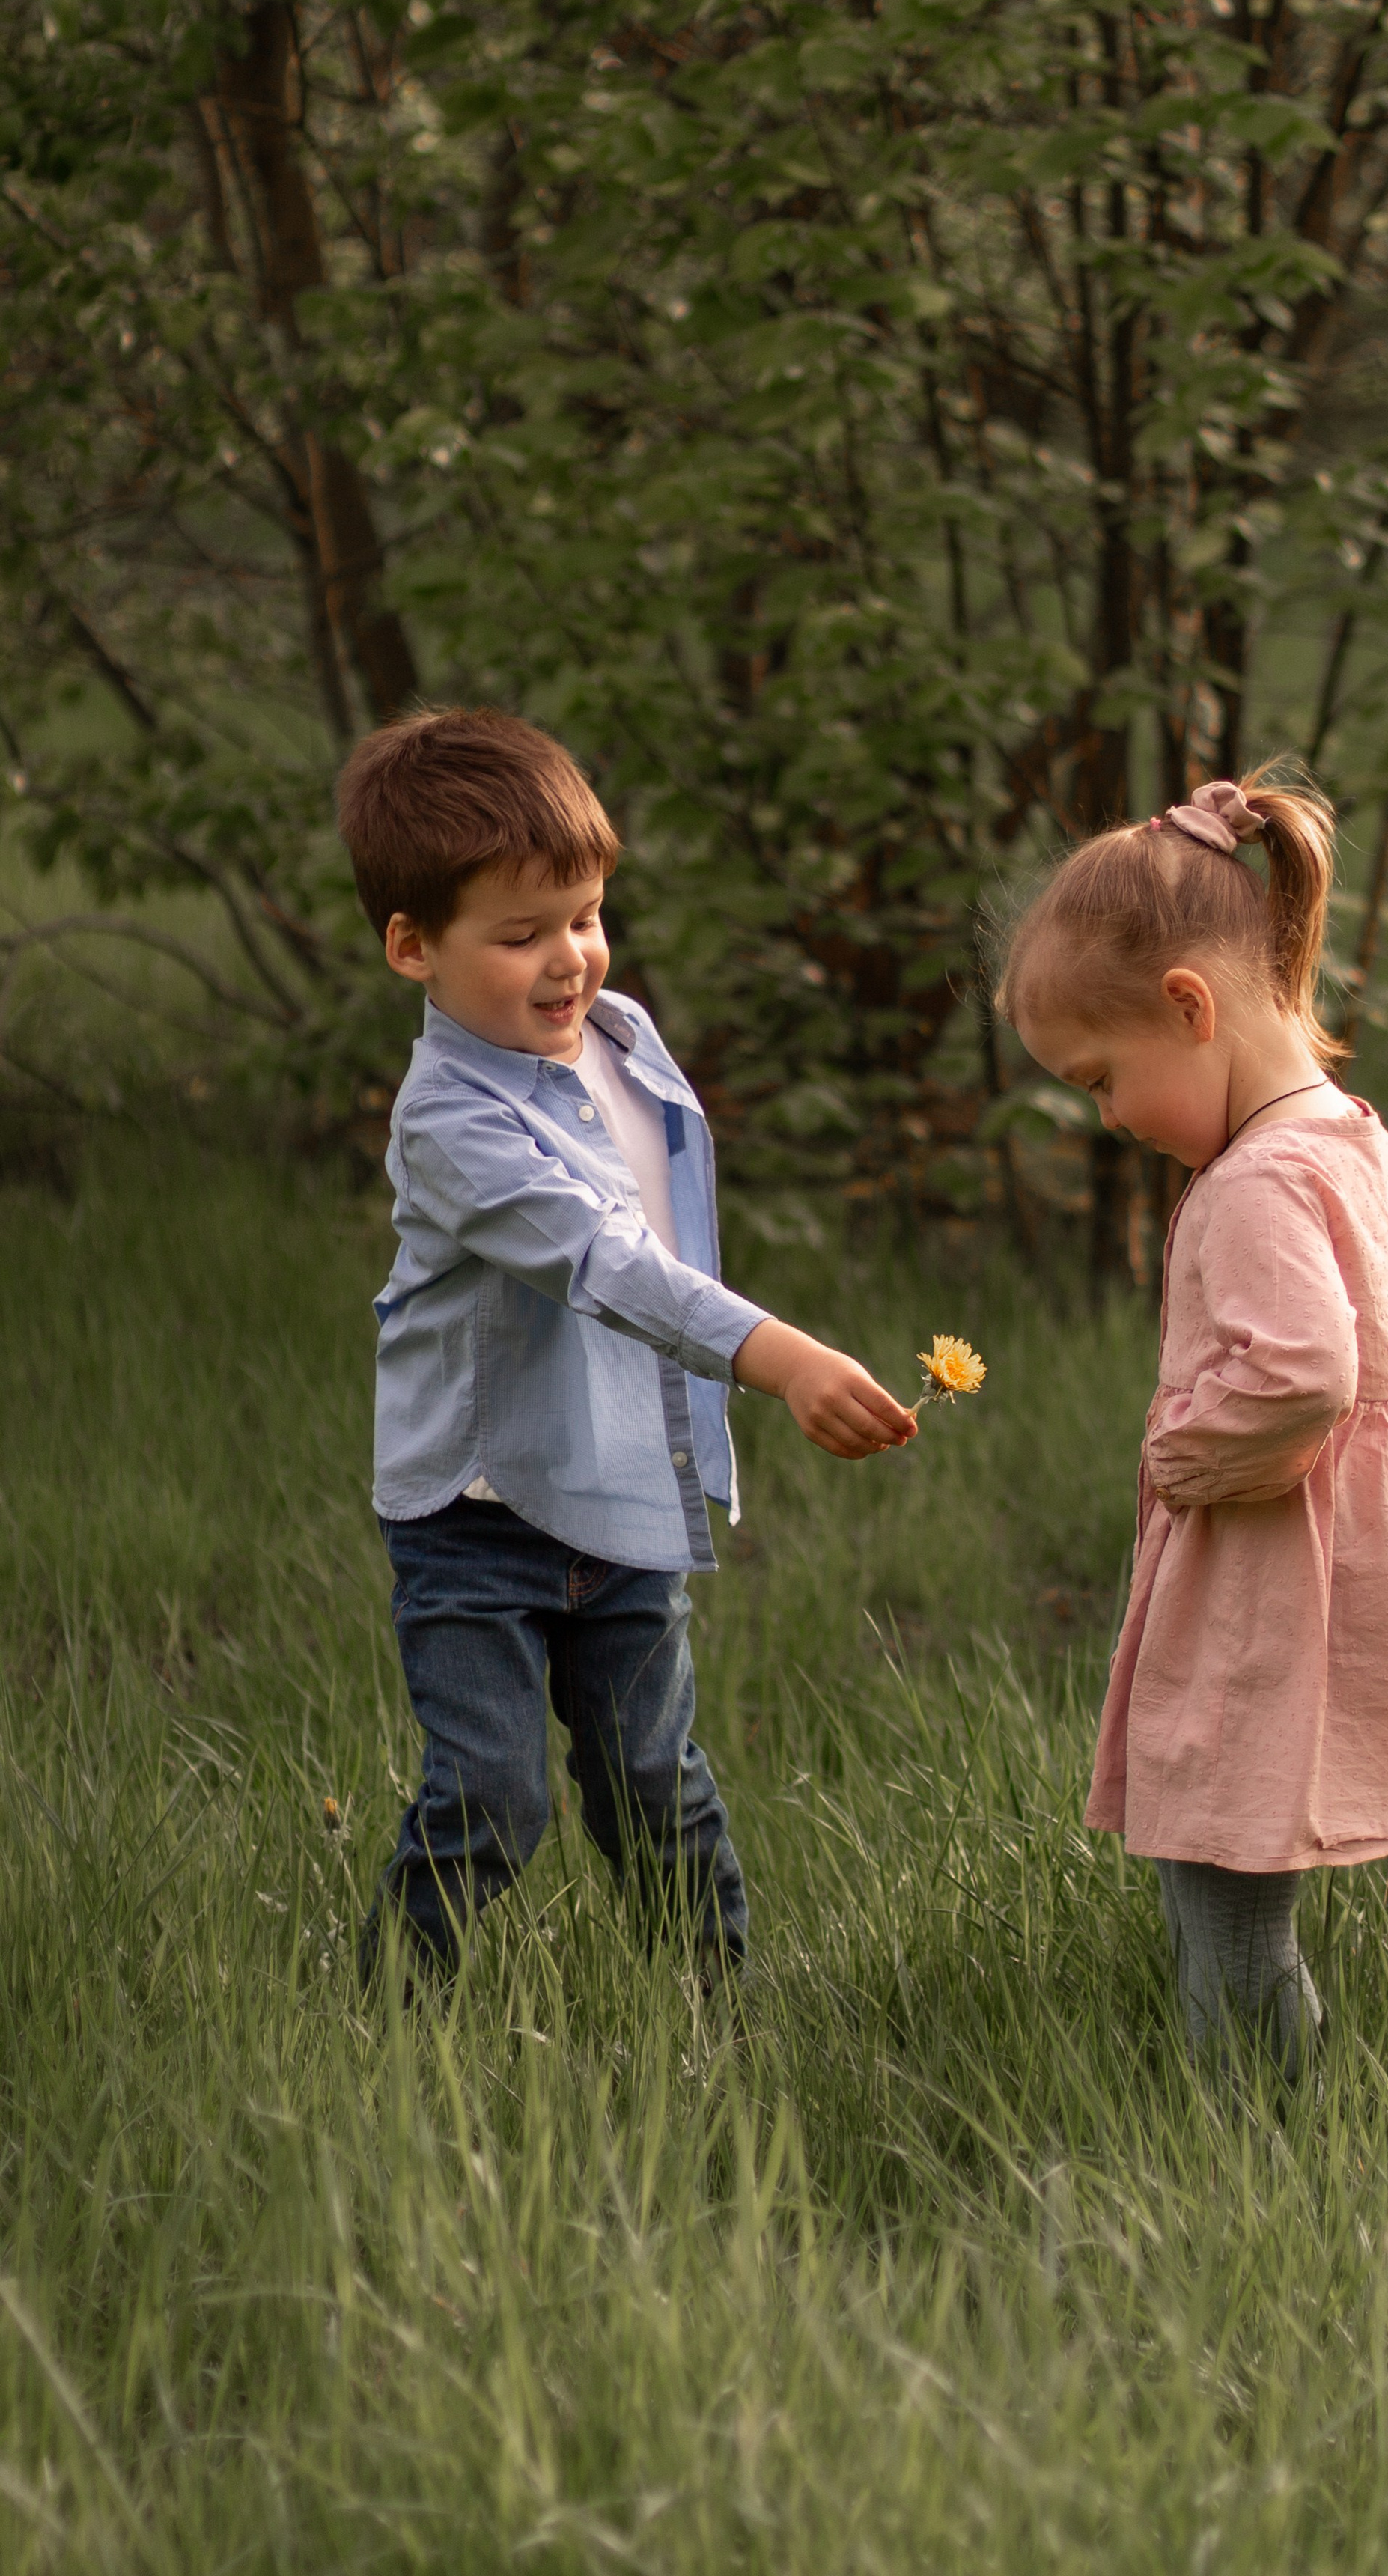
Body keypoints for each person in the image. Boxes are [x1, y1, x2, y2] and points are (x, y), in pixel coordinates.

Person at [336, 707, 916, 1994]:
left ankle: (718, 2022)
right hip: (478, 1516)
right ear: (411, 947)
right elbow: (605, 1259)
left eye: (588, 915)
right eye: (521, 934)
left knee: (655, 1783)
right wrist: (776, 1356)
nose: (570, 960)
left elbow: (671, 1208)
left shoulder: (621, 1038)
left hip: (621, 1498)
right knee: (491, 1797)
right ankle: (379, 2014)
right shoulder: (449, 1122)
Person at [999, 770, 1388, 2083]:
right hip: (1357, 1566)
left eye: (1103, 1080)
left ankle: (1249, 2130)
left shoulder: (1251, 1183)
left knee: (1219, 1868)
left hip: (1271, 1573)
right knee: (1231, 1863)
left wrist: (1186, 1453)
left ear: (1189, 1008)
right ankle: (1288, 2114)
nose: (1110, 1118)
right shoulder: (1362, 1144)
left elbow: (1306, 1374)